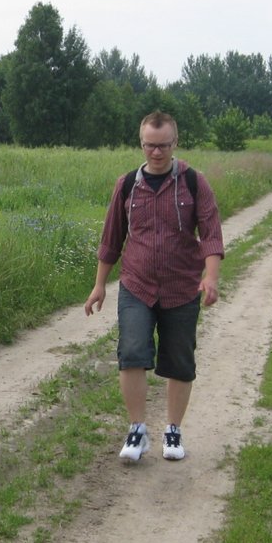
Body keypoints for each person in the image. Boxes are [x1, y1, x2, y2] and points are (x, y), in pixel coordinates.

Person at [85, 112, 225, 463]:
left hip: (181, 288)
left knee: (179, 361)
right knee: (131, 353)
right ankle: (137, 430)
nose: (156, 152)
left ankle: (173, 431)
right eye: (150, 145)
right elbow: (111, 239)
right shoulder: (127, 185)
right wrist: (99, 285)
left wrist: (210, 277)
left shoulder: (194, 182)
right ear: (141, 144)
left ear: (175, 143)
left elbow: (211, 234)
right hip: (137, 285)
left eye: (163, 146)